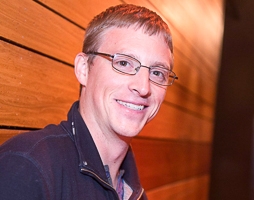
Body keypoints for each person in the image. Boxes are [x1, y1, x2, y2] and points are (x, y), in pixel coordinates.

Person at [0, 3, 178, 200]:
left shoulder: (132, 190)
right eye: (124, 63)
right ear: (84, 69)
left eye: (157, 73)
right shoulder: (26, 166)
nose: (143, 87)